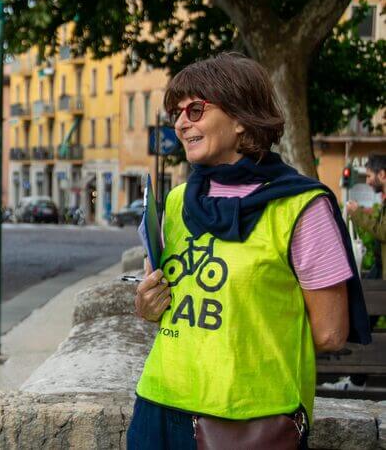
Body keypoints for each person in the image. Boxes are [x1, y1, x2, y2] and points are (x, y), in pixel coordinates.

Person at [127, 53, 371, 449]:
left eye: (195, 109)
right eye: (177, 112)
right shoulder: (174, 202)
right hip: (158, 402)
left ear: (241, 117)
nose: (181, 122)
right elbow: (161, 297)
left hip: (250, 416)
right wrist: (147, 304)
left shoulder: (301, 207)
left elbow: (330, 332)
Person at [323, 154, 386, 390]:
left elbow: (383, 232)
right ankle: (357, 378)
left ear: (382, 174)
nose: (368, 181)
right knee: (365, 319)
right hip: (380, 271)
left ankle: (357, 379)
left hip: (382, 274)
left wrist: (358, 214)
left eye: (369, 176)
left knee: (366, 317)